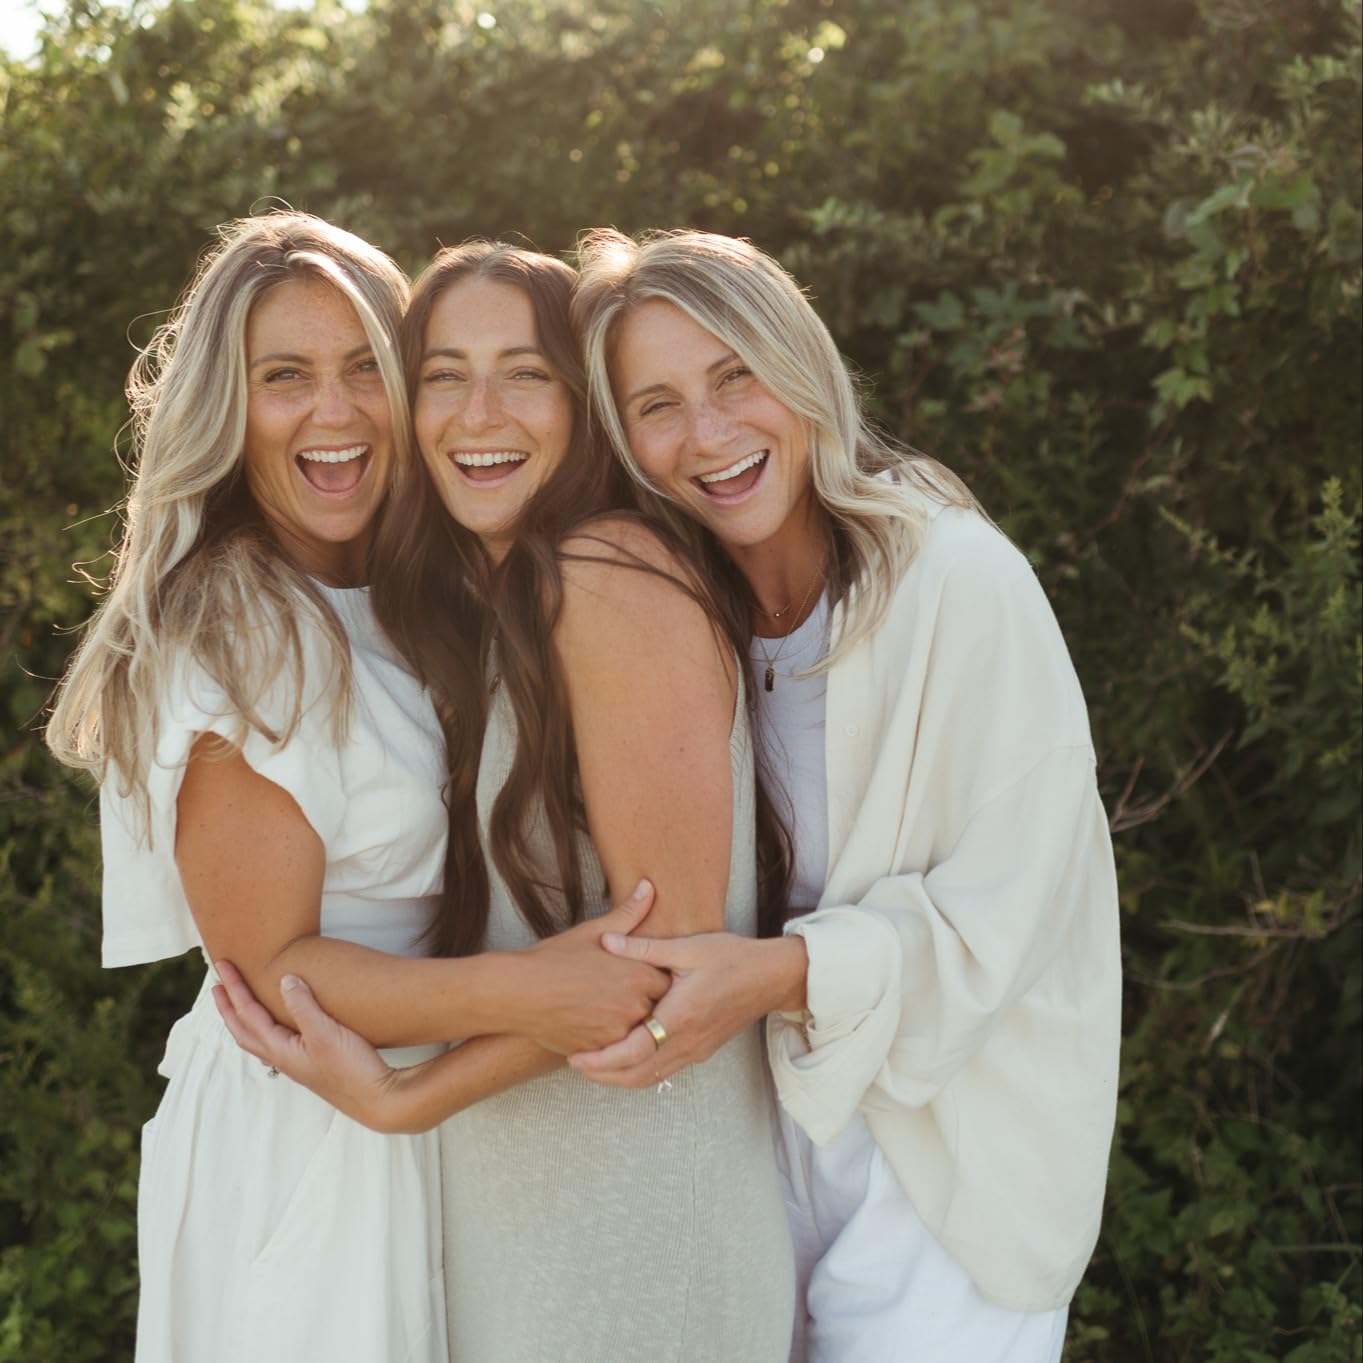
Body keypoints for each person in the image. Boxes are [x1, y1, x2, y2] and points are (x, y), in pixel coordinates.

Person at [44, 214, 668, 1363]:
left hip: (437, 1111)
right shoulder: (235, 622)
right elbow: (274, 970)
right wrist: (531, 992)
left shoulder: (412, 596)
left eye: (363, 372)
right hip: (310, 1131)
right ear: (228, 409)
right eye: (285, 378)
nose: (333, 415)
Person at [213, 241, 796, 1363]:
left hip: (637, 1205)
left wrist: (406, 1099)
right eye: (442, 373)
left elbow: (670, 961)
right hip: (531, 1201)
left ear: (583, 409)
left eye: (525, 372)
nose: (479, 411)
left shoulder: (607, 570)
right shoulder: (503, 604)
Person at [564, 228, 1122, 1363]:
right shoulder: (676, 618)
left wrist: (772, 974)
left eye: (734, 378)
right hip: (756, 1141)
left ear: (800, 365)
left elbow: (1008, 910)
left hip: (945, 1160)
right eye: (658, 404)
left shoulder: (959, 584)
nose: (709, 436)